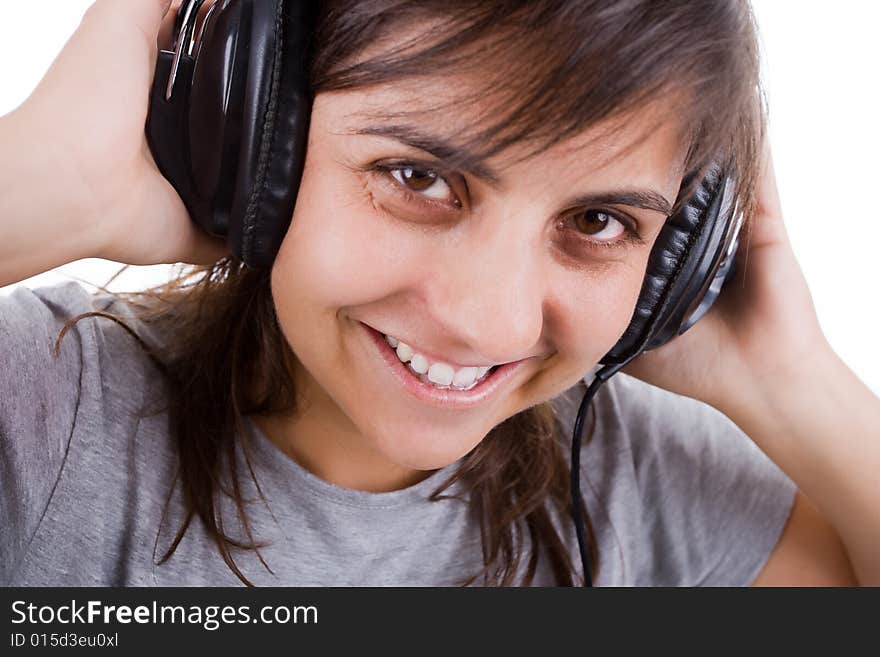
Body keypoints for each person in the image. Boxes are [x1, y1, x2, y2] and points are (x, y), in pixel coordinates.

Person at [0, 0, 875, 587]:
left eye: (601, 221)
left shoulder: (647, 483)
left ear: (674, 268)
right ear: (255, 143)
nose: (484, 318)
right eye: (417, 175)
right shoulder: (47, 410)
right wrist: (45, 188)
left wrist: (794, 382)